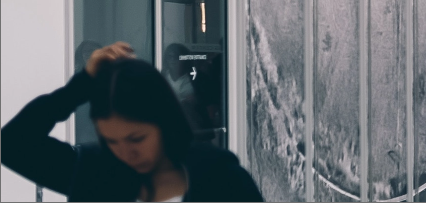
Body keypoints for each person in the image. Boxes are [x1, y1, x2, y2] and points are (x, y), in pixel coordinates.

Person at [2, 42, 265, 201]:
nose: (125, 153)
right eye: (111, 140)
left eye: (136, 138)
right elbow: (12, 145)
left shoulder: (220, 178)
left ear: (164, 122)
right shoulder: (96, 173)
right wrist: (80, 86)